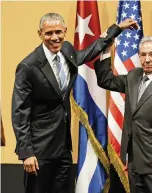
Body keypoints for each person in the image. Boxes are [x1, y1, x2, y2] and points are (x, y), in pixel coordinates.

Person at [11, 12, 138, 193]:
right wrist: (26, 153)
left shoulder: (67, 50)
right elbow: (19, 111)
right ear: (40, 34)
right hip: (39, 150)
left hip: (63, 148)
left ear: (65, 31)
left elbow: (88, 52)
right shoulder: (28, 66)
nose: (54, 38)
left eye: (58, 32)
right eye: (48, 33)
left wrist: (116, 29)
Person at [94, 36, 152, 193]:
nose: (147, 59)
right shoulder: (133, 76)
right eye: (143, 55)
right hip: (134, 160)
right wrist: (105, 52)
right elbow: (106, 81)